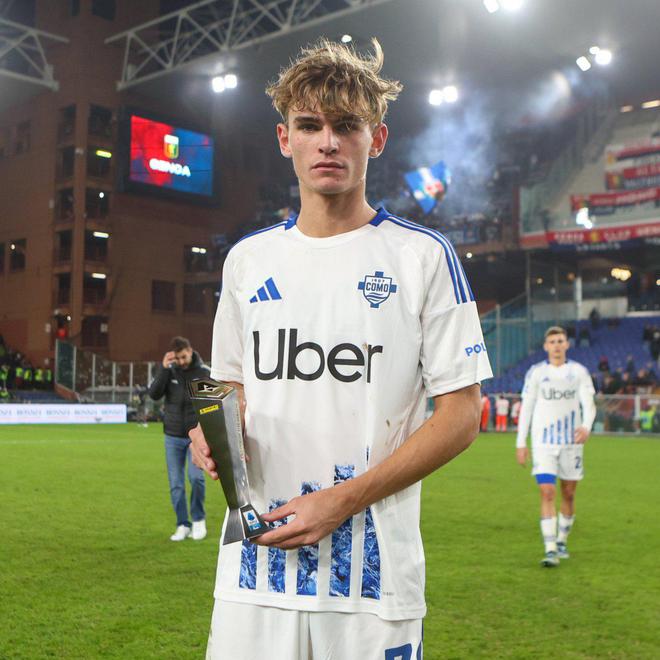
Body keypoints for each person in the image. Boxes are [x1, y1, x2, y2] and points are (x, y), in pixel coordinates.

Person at [189, 38, 492, 659]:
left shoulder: (423, 256)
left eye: (347, 125)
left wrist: (342, 500)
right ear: (285, 139)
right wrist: (214, 433)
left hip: (371, 584)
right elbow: (227, 385)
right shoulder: (247, 260)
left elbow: (463, 415)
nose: (327, 142)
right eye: (310, 126)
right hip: (255, 573)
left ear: (376, 139)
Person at [515, 326, 596, 567]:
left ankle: (562, 540)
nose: (557, 345)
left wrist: (587, 426)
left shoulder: (579, 372)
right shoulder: (536, 372)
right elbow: (527, 407)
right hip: (543, 442)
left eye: (560, 341)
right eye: (552, 342)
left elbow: (589, 403)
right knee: (547, 491)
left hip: (571, 442)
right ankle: (550, 548)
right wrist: (521, 443)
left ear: (567, 344)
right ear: (546, 346)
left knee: (568, 494)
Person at [148, 336, 210, 542]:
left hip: (196, 437)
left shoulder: (204, 373)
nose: (181, 361)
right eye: (178, 358)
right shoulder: (170, 371)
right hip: (172, 436)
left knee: (196, 479)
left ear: (190, 351)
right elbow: (154, 394)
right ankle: (183, 524)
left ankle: (199, 520)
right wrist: (164, 369)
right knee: (176, 484)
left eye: (184, 357)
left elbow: (215, 401)